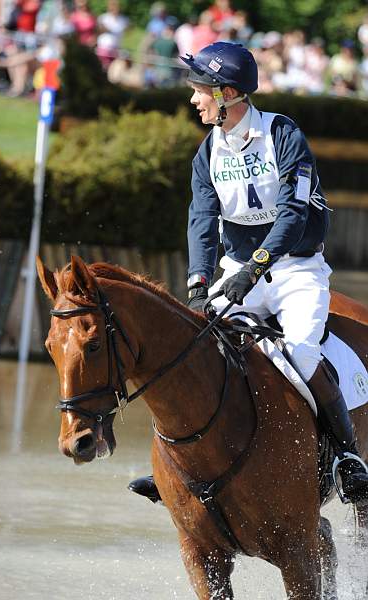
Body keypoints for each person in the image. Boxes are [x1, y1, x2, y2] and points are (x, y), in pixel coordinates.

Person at [129, 41, 368, 505]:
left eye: (201, 89)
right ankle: (175, 467)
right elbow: (201, 219)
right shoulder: (208, 152)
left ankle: (346, 457)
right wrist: (199, 283)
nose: (194, 98)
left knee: (300, 351)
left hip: (296, 271)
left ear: (229, 93)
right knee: (189, 347)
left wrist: (255, 268)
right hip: (238, 270)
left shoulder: (283, 135)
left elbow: (295, 213)